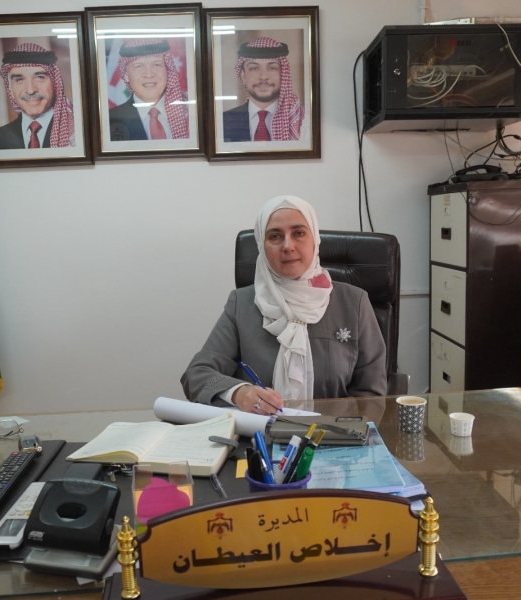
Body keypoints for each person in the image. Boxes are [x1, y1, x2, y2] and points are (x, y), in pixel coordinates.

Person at [181, 195, 387, 414]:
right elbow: (196, 375)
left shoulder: (354, 303)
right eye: (275, 236)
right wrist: (238, 393)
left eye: (299, 233)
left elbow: (372, 396)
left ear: (315, 239)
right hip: (260, 431)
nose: (288, 246)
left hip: (334, 433)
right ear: (261, 246)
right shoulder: (241, 304)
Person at [223, 37, 305, 143]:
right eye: (254, 68)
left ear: (283, 74)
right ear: (243, 76)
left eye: (272, 68)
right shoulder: (223, 122)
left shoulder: (304, 119)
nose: (263, 76)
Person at [0, 43, 75, 149]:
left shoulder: (76, 133)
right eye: (19, 80)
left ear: (55, 83)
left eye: (40, 77)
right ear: (10, 88)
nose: (30, 90)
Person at [109, 38, 190, 142]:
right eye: (139, 66)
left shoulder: (190, 113)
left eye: (156, 65)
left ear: (168, 70)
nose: (149, 74)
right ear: (126, 75)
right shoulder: (110, 120)